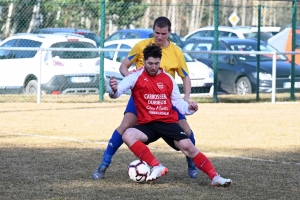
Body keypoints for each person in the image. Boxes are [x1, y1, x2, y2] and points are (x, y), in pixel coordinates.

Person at [108, 44, 232, 186]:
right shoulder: (135, 77)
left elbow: (178, 103)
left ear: (160, 61)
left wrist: (190, 108)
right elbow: (116, 93)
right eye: (150, 63)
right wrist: (113, 89)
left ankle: (215, 177)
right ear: (144, 61)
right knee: (127, 134)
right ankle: (156, 166)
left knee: (189, 148)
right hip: (147, 124)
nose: (153, 67)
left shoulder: (168, 79)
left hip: (168, 122)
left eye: (156, 63)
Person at [93, 16, 198, 180]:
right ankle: (104, 164)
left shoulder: (176, 52)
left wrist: (186, 98)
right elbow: (123, 66)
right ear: (153, 31)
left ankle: (191, 162)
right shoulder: (141, 46)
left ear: (170, 32)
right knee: (125, 126)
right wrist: (132, 81)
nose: (160, 36)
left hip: (165, 101)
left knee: (186, 129)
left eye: (163, 33)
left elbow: (185, 77)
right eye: (157, 33)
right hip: (142, 97)